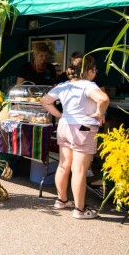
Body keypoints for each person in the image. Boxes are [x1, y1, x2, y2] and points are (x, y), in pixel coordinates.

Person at [40, 55, 109, 219]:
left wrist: (60, 115)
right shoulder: (88, 85)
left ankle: (62, 200)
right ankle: (80, 209)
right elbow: (104, 98)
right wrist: (99, 112)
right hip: (83, 128)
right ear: (90, 71)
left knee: (64, 165)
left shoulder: (64, 85)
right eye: (95, 70)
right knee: (79, 170)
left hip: (65, 127)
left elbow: (45, 100)